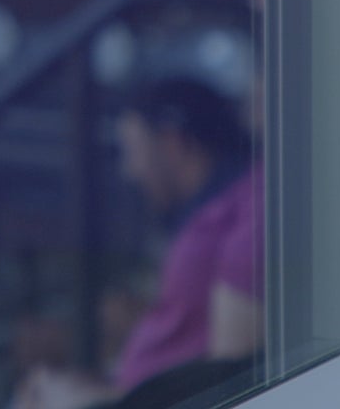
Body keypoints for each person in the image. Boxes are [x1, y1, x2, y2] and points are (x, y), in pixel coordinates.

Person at [17, 77, 261, 409]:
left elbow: (227, 380)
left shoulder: (239, 220)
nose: (130, 170)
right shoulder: (213, 219)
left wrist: (94, 402)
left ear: (173, 144)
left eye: (134, 150)